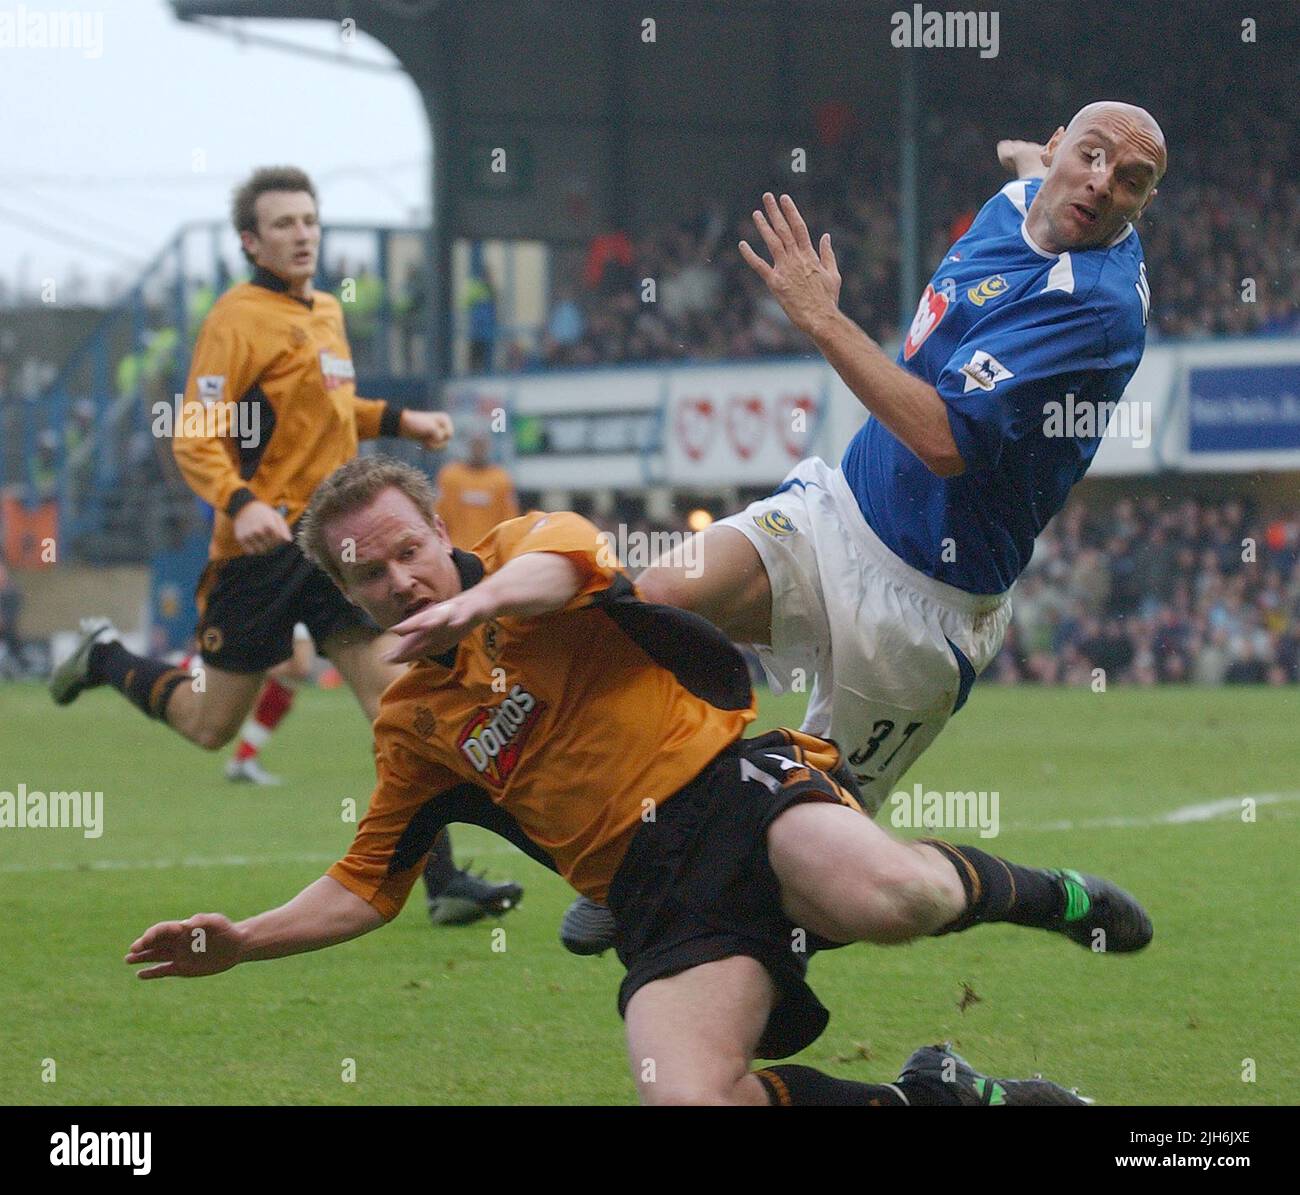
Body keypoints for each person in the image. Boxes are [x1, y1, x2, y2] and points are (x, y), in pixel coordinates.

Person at [125, 454, 1152, 1106]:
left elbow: (566, 567)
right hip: (654, 900)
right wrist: (245, 938)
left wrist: (477, 608)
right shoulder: (410, 723)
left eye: (408, 552)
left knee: (892, 898)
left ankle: (1060, 895)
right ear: (343, 589)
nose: (399, 581)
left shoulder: (522, 554)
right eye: (368, 575)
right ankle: (931, 1095)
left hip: (737, 792)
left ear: (441, 534)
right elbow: (366, 883)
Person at [564, 102, 1167, 952]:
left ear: (1142, 205)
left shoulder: (1094, 308)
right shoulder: (1024, 194)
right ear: (1061, 146)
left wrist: (821, 318)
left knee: (826, 893)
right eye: (1090, 155)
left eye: (1130, 181)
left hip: (924, 609)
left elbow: (943, 439)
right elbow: (1031, 157)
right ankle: (633, 846)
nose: (1102, 184)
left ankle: (1053, 898)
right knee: (649, 604)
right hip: (835, 513)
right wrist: (1028, 152)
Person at [50, 165, 519, 927]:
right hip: (259, 550)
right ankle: (105, 656)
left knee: (397, 705)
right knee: (210, 725)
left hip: (335, 545)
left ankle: (442, 883)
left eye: (309, 219)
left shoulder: (327, 311)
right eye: (282, 223)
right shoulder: (235, 319)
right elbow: (196, 431)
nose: (302, 233)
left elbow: (330, 411)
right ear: (250, 240)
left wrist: (403, 419)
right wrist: (241, 502)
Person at [434, 433, 519, 551]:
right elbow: (440, 516)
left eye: (481, 446)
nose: (478, 450)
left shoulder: (500, 479)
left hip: (489, 554)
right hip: (457, 551)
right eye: (475, 445)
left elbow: (509, 521)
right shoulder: (450, 477)